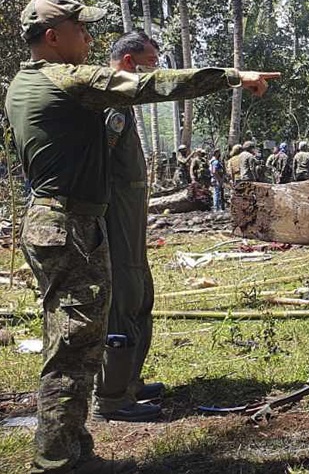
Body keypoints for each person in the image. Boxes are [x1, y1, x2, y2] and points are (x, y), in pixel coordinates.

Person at [5, 0, 280, 474]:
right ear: (52, 37)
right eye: (80, 29)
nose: (89, 39)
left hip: (57, 221)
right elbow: (152, 85)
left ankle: (70, 448)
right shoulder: (66, 80)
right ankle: (59, 459)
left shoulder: (20, 84)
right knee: (73, 346)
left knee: (73, 341)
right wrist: (234, 76)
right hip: (68, 224)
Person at [93, 33, 163, 425]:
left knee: (140, 296)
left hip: (131, 220)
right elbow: (98, 161)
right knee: (123, 299)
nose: (153, 71)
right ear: (128, 63)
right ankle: (112, 395)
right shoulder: (113, 104)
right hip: (116, 220)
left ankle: (130, 381)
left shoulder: (125, 105)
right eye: (148, 63)